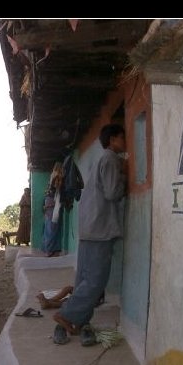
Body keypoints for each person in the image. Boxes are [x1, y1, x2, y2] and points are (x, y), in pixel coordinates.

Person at [52, 123, 127, 346]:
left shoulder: (99, 159)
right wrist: (126, 174)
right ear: (113, 140)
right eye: (122, 137)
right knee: (96, 282)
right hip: (100, 230)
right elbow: (113, 192)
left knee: (84, 280)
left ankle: (80, 323)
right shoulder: (111, 159)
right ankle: (65, 315)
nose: (125, 142)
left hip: (89, 228)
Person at [42, 162, 64, 256]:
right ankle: (50, 250)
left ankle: (48, 249)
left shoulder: (52, 176)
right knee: (52, 227)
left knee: (48, 226)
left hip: (48, 203)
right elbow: (58, 188)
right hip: (53, 203)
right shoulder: (57, 176)